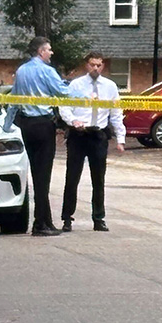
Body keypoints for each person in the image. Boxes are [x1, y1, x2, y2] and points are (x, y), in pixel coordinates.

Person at [3, 36, 70, 237]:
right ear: (41, 52)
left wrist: (7, 126)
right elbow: (62, 92)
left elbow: (14, 99)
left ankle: (45, 220)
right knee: (43, 176)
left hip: (26, 126)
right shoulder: (47, 71)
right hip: (43, 125)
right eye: (48, 49)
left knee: (35, 174)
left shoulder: (21, 71)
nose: (51, 53)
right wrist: (81, 93)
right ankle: (40, 224)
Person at [58, 51, 126, 232]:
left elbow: (116, 113)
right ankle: (67, 218)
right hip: (79, 135)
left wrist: (121, 138)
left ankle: (98, 218)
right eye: (92, 65)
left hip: (98, 135)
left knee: (99, 179)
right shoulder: (76, 85)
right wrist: (73, 121)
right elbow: (64, 108)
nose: (96, 68)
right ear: (86, 65)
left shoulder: (110, 87)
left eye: (99, 65)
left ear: (103, 65)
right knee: (72, 177)